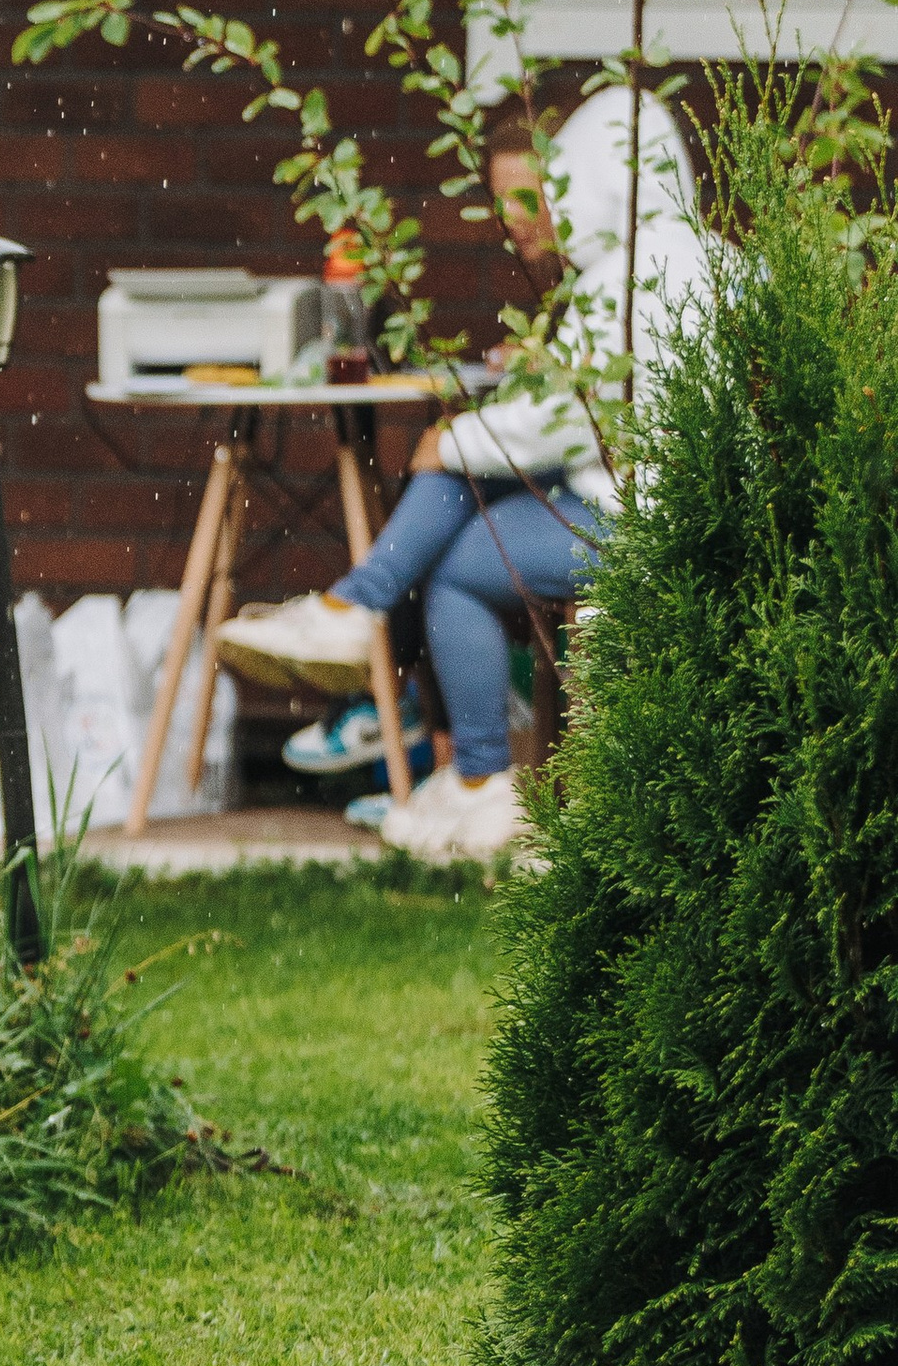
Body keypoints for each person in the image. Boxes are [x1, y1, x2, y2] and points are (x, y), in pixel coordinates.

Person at [216, 88, 700, 865]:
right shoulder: (688, 257)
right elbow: (597, 394)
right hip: (646, 494)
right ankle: (368, 627)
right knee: (462, 503)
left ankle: (466, 763)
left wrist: (460, 438)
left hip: (637, 515)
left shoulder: (630, 276)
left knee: (461, 564)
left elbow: (565, 416)